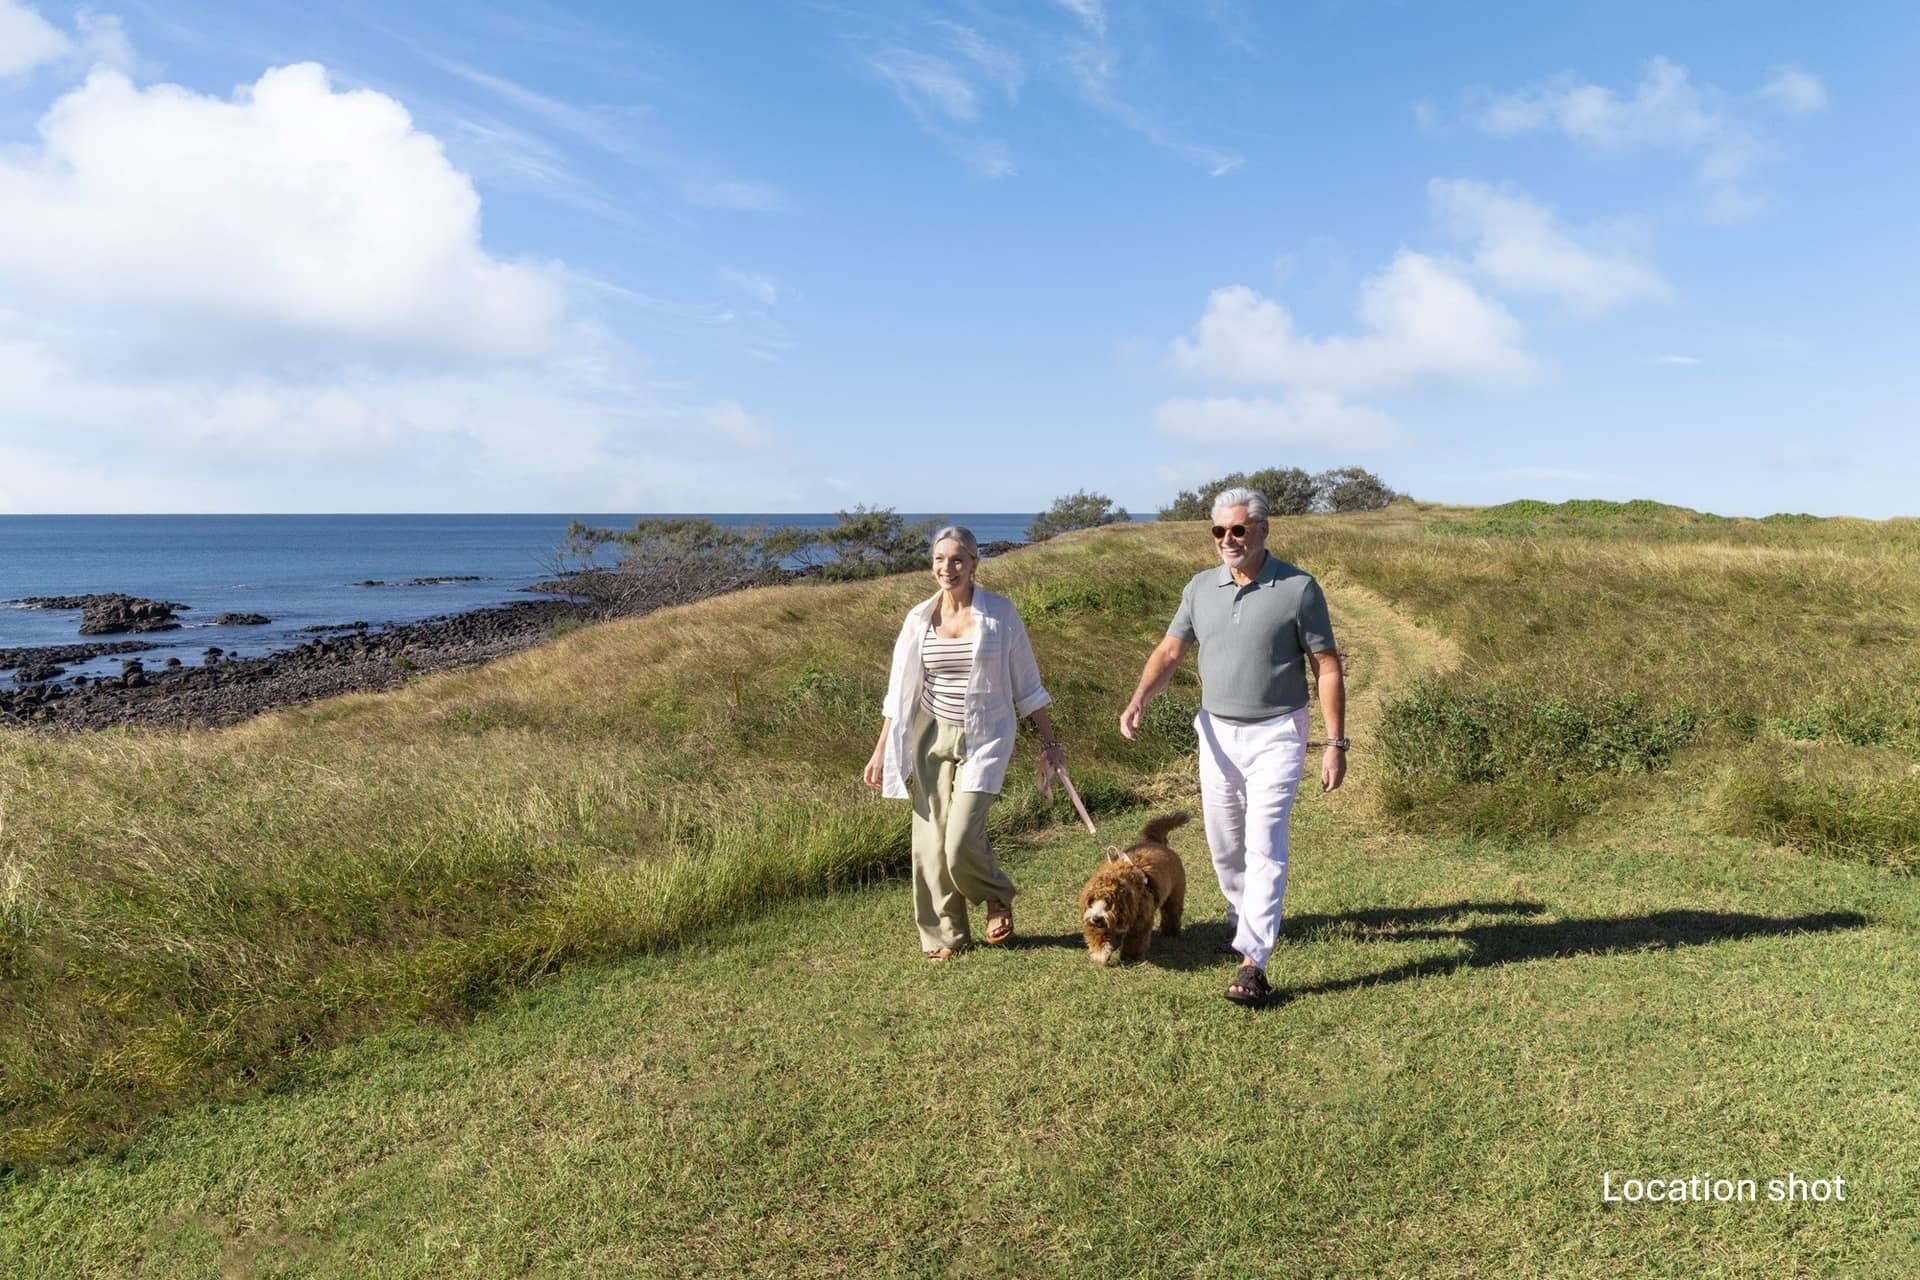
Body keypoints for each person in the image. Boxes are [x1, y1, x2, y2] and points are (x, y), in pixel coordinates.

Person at [1119, 487, 1347, 1005]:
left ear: (1263, 530)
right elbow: (1171, 650)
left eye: (1238, 529)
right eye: (1219, 531)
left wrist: (1335, 742)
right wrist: (1139, 700)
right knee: (1226, 848)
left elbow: (1326, 665)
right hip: (1217, 733)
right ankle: (1242, 916)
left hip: (1278, 733)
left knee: (1265, 841)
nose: (1228, 539)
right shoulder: (1200, 588)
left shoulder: (1298, 589)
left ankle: (1253, 961)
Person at [864, 525, 1067, 960]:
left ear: (974, 563)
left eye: (957, 559)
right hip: (930, 733)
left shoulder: (999, 614)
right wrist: (882, 749)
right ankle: (946, 936)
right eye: (940, 559)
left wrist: (1050, 743)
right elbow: (898, 690)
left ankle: (997, 893)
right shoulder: (919, 618)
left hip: (986, 735)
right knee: (929, 844)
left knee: (958, 840)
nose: (947, 567)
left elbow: (1027, 684)